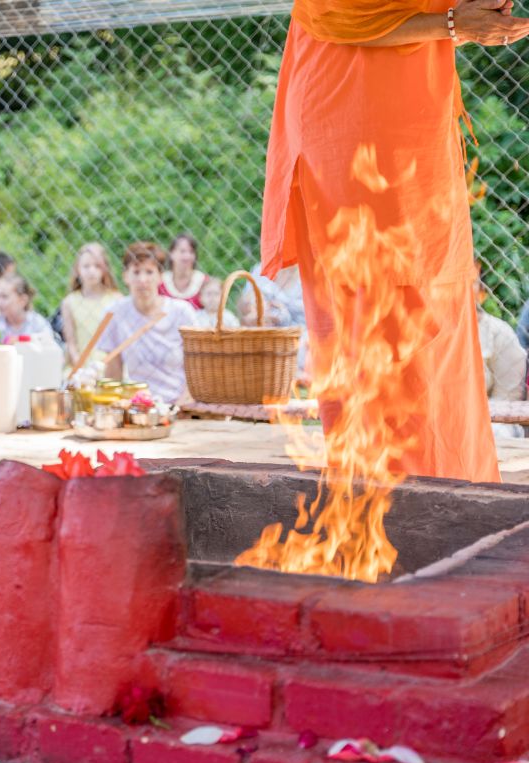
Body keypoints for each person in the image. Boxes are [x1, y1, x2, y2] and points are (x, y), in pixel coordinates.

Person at [259, 0, 527, 482]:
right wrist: (453, 24)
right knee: (381, 324)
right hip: (354, 127)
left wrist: (476, 18)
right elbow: (331, 15)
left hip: (418, 134)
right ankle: (390, 510)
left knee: (438, 322)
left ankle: (451, 499)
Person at [99, 242, 197, 404]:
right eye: (136, 272)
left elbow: (197, 370)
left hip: (179, 404)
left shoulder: (182, 312)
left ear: (160, 277)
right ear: (126, 276)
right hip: (137, 405)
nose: (142, 279)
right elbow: (113, 372)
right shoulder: (115, 313)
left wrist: (180, 407)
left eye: (149, 272)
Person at [475, 273, 527, 438]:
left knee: (496, 432)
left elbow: (506, 400)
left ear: (482, 293)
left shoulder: (498, 333)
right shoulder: (420, 329)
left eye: (470, 283)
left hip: (491, 419)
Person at [60, 242, 122, 366]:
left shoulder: (117, 299)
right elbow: (71, 343)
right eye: (86, 266)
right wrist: (80, 368)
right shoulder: (69, 302)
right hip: (81, 367)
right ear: (77, 269)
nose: (91, 271)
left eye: (97, 266)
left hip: (110, 366)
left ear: (105, 269)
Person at [0, 274, 55, 345]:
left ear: (22, 300)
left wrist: (19, 339)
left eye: (4, 297)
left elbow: (48, 342)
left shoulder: (37, 323)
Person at [159, 234, 208, 309]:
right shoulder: (160, 282)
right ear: (171, 254)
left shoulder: (204, 282)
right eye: (182, 251)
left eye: (191, 252)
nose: (187, 256)